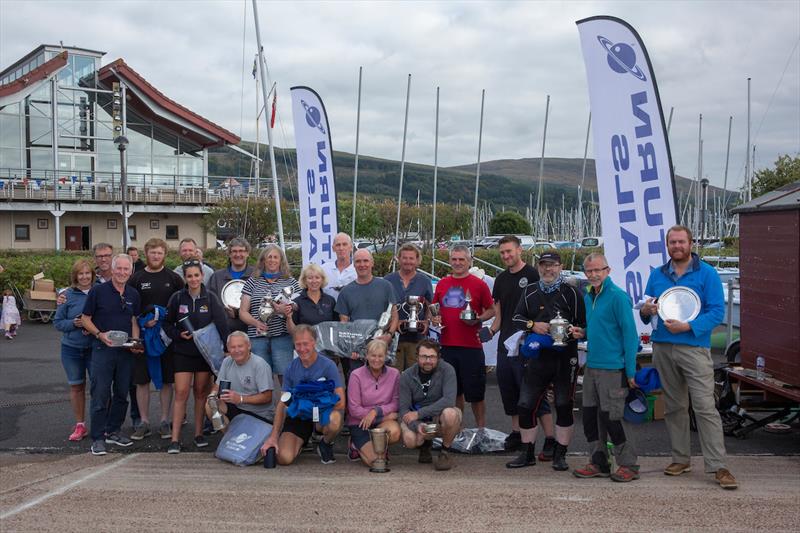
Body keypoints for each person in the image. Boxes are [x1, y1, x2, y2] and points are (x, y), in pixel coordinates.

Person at [639, 225, 736, 489]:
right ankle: (681, 459)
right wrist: (646, 311)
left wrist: (689, 327)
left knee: (704, 407)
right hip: (663, 347)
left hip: (694, 348)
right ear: (667, 245)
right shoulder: (657, 275)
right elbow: (647, 313)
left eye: (681, 242)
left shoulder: (707, 273)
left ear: (691, 243)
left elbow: (717, 312)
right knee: (674, 407)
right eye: (672, 242)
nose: (677, 246)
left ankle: (719, 466)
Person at [510, 251, 586, 471]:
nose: (547, 269)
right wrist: (533, 326)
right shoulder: (530, 291)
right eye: (543, 265)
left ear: (560, 267)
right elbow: (516, 318)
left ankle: (560, 455)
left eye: (552, 265)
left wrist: (575, 332)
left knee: (564, 405)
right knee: (525, 405)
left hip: (565, 357)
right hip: (537, 357)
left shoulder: (571, 292)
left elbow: (583, 325)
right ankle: (527, 453)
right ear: (538, 266)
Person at [570, 253, 640, 482]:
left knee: (612, 418)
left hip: (613, 368)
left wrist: (630, 371)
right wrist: (584, 333)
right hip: (592, 366)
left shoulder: (618, 297)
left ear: (607, 271)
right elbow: (600, 328)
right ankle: (599, 462)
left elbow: (630, 336)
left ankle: (629, 464)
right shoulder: (589, 296)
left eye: (598, 270)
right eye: (589, 271)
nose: (593, 275)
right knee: (590, 418)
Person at [487, 235, 555, 457]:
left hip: (528, 345)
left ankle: (551, 439)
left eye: (509, 251)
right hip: (505, 345)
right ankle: (517, 433)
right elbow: (499, 315)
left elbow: (545, 312)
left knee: (536, 395)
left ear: (519, 251)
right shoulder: (500, 280)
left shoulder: (533, 275)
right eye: (502, 253)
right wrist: (489, 330)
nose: (506, 256)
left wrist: (535, 331)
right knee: (510, 392)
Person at [162, 260, 230, 453]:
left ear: (202, 276)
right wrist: (177, 334)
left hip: (204, 354)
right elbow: (166, 324)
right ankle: (175, 439)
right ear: (185, 277)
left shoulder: (211, 298)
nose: (193, 279)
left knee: (201, 393)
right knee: (181, 392)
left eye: (196, 275)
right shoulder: (177, 298)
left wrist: (226, 349)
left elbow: (222, 324)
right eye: (189, 276)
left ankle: (198, 434)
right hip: (183, 352)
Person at [81, 253, 142, 456]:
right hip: (102, 350)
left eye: (126, 269)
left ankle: (114, 430)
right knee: (100, 394)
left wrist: (135, 341)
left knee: (122, 394)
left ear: (131, 271)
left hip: (125, 352)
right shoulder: (98, 291)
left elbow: (134, 320)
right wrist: (100, 334)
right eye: (119, 268)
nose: (122, 272)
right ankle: (98, 437)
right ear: (112, 269)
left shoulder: (133, 294)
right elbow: (85, 318)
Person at [260, 325, 345, 465]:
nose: (302, 348)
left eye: (305, 343)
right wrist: (273, 437)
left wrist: (313, 402)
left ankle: (325, 443)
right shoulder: (290, 368)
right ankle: (301, 442)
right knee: (283, 458)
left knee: (335, 420)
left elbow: (341, 402)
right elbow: (282, 404)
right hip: (300, 416)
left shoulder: (328, 365)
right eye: (298, 344)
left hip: (321, 414)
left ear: (314, 342)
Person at [430, 245, 494, 430]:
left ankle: (481, 429)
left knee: (476, 394)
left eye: (461, 259)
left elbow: (491, 310)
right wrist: (434, 317)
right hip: (448, 346)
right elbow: (434, 308)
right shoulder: (442, 283)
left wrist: (478, 319)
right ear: (450, 261)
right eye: (454, 259)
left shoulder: (479, 284)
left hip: (472, 347)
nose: (457, 263)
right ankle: (456, 430)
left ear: (469, 261)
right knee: (454, 393)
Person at [127, 238, 184, 441]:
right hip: (143, 337)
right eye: (153, 253)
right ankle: (143, 422)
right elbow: (132, 311)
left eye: (160, 253)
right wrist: (142, 327)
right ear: (146, 253)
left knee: (167, 381)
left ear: (165, 255)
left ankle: (164, 421)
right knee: (142, 381)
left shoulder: (175, 278)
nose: (156, 256)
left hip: (166, 339)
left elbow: (181, 307)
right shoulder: (136, 279)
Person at [239, 244, 300, 385]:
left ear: (281, 261)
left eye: (275, 257)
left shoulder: (291, 282)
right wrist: (256, 323)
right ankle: (264, 407)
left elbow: (299, 306)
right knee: (260, 378)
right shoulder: (252, 281)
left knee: (285, 378)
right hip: (257, 337)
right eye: (269, 257)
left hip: (283, 337)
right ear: (263, 261)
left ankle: (285, 407)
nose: (272, 260)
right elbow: (243, 312)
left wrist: (286, 309)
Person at [398, 339, 462, 471]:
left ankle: (445, 452)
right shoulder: (406, 375)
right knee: (410, 440)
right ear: (417, 357)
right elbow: (403, 409)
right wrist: (417, 426)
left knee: (451, 414)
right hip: (417, 418)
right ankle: (424, 446)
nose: (428, 360)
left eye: (432, 357)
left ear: (438, 357)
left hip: (438, 416)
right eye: (424, 356)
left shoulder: (448, 370)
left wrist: (419, 414)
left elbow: (449, 401)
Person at [335, 249, 399, 380]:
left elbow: (394, 315)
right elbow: (344, 323)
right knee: (357, 386)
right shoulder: (345, 292)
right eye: (358, 261)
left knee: (384, 387)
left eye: (365, 261)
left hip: (381, 348)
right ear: (353, 264)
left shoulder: (386, 286)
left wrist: (389, 335)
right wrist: (350, 346)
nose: (362, 264)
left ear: (372, 263)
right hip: (357, 352)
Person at [53, 259, 96, 441]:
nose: (84, 277)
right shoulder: (67, 295)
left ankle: (102, 424)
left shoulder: (99, 292)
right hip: (71, 349)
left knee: (99, 387)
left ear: (92, 275)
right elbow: (58, 322)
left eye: (87, 273)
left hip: (94, 348)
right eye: (81, 273)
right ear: (75, 276)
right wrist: (74, 323)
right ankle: (80, 425)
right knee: (77, 386)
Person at [346, 339, 401, 466]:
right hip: (360, 423)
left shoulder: (395, 374)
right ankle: (355, 445)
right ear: (366, 356)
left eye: (380, 356)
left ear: (386, 356)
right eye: (373, 355)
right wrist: (379, 415)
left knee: (395, 431)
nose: (376, 360)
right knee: (375, 462)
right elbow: (354, 409)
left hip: (381, 421)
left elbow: (395, 403)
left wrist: (376, 412)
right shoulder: (356, 375)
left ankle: (379, 447)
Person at [205, 331, 274, 429]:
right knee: (210, 405)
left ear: (249, 346)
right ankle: (229, 437)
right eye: (233, 347)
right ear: (228, 348)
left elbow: (267, 397)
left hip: (259, 414)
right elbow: (218, 385)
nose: (237, 350)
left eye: (240, 346)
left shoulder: (260, 365)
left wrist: (240, 399)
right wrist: (212, 396)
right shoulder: (227, 361)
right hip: (238, 408)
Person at [384, 243, 433, 371]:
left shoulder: (425, 281)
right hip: (394, 339)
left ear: (417, 260)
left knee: (415, 375)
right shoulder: (387, 280)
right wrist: (393, 322)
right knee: (394, 376)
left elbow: (430, 305)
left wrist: (427, 322)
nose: (408, 261)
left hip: (417, 338)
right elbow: (383, 307)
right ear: (398, 259)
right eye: (404, 258)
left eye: (411, 258)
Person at [207, 237, 255, 333]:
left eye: (241, 251)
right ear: (229, 254)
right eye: (234, 251)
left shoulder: (256, 276)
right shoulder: (216, 277)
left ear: (247, 253)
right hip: (224, 331)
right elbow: (209, 303)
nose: (238, 254)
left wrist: (238, 313)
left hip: (251, 331)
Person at [286, 263, 338, 332]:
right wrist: (289, 318)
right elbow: (292, 331)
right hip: (305, 341)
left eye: (317, 277)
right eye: (310, 278)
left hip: (326, 342)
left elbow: (336, 325)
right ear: (304, 280)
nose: (314, 281)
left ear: (322, 279)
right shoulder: (296, 302)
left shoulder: (331, 300)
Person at [321, 232, 357, 299]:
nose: (341, 248)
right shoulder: (324, 269)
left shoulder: (358, 270)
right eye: (338, 245)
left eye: (344, 244)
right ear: (333, 248)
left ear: (351, 247)